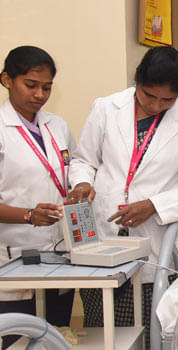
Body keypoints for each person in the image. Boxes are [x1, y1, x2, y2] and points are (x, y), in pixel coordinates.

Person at [67, 46, 178, 343]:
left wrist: (153, 205)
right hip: (105, 232)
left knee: (153, 334)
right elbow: (84, 160)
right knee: (104, 334)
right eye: (149, 95)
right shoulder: (106, 108)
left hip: (157, 243)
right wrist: (82, 183)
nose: (157, 106)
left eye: (168, 100)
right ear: (137, 79)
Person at [0, 45, 76, 348]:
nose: (40, 95)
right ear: (7, 80)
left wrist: (80, 186)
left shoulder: (57, 125)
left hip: (59, 249)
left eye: (47, 87)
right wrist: (29, 215)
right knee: (16, 338)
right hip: (14, 251)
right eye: (30, 85)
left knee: (59, 337)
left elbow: (72, 171)